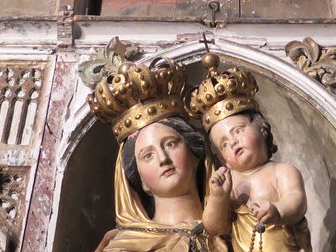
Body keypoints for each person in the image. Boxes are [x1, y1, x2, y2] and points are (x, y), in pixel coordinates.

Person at [89, 59, 227, 252]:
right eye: (148, 156)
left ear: (196, 154)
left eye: (170, 144)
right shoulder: (123, 248)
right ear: (141, 181)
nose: (163, 159)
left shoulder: (237, 229)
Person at [189, 54, 311, 252]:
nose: (234, 142)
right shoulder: (230, 184)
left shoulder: (282, 171)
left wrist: (278, 211)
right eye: (224, 144)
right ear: (222, 159)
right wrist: (219, 196)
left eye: (238, 130)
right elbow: (215, 227)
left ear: (262, 128)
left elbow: (297, 201)